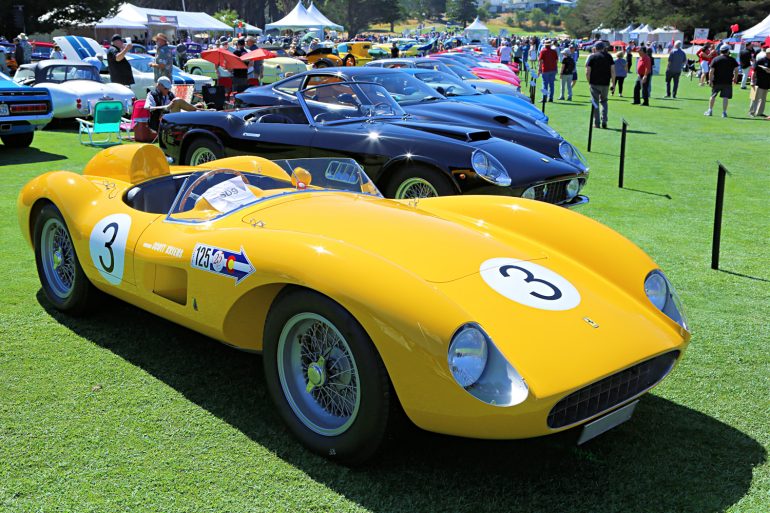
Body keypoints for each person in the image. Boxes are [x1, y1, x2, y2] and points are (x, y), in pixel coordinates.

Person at [585, 41, 615, 128]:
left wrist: (589, 82)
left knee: (595, 102)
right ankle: (604, 120)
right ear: (603, 48)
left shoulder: (592, 57)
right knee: (604, 101)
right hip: (605, 83)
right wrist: (613, 83)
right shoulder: (609, 56)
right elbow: (613, 71)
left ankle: (596, 123)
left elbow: (587, 71)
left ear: (595, 48)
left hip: (594, 83)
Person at [705, 44, 739, 117]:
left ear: (720, 51)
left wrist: (710, 80)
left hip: (717, 81)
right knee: (725, 97)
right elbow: (736, 70)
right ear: (728, 51)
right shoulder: (732, 59)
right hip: (727, 81)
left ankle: (710, 110)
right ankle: (724, 112)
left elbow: (711, 71)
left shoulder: (716, 59)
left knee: (713, 96)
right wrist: (735, 78)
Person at [749, 48, 770, 117]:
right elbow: (753, 71)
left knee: (763, 99)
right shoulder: (760, 61)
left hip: (766, 83)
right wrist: (752, 81)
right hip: (757, 82)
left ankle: (759, 112)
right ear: (767, 53)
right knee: (754, 98)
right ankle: (751, 112)